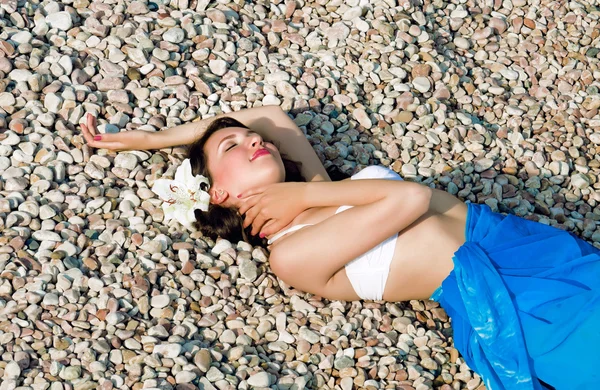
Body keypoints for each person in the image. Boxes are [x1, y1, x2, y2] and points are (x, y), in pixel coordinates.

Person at [81, 107, 600, 390]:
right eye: (231, 149)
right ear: (218, 194)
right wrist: (305, 192)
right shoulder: (292, 252)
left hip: (528, 245)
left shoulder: (320, 185)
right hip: (515, 306)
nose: (251, 141)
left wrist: (155, 139)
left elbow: (267, 115)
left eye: (247, 140)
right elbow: (411, 198)